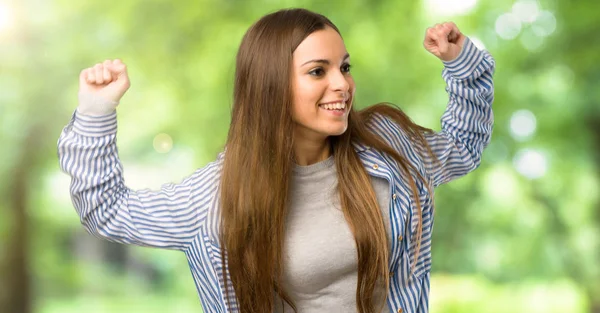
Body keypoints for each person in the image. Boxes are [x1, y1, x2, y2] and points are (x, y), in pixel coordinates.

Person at [57, 7, 495, 313]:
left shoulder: (386, 148)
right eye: (317, 71)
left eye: (344, 67)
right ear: (270, 86)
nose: (342, 84)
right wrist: (96, 112)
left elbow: (463, 146)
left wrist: (463, 65)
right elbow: (107, 211)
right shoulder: (217, 197)